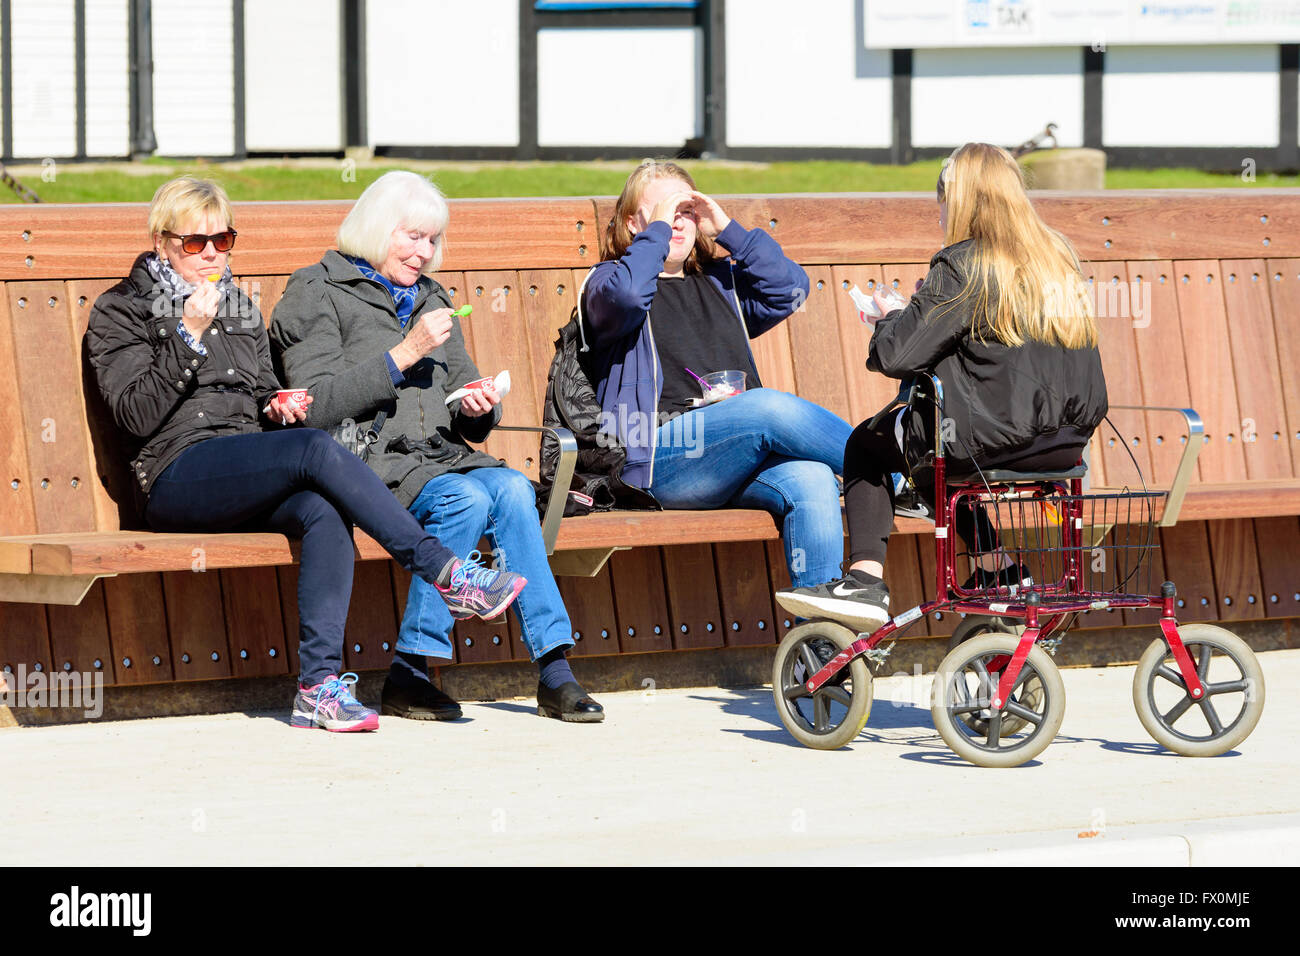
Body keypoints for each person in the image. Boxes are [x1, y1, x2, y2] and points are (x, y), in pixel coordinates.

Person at [85, 176, 526, 733]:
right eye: (197, 244)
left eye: (224, 241)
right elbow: (135, 416)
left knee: (322, 508)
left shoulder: (238, 306)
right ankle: (444, 571)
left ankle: (318, 689)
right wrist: (188, 338)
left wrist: (279, 406)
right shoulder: (120, 309)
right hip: (175, 474)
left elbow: (264, 393)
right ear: (163, 243)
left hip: (243, 462)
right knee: (317, 448)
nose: (213, 255)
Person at [269, 171, 603, 724]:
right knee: (465, 500)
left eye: (432, 241)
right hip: (364, 462)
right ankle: (414, 667)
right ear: (378, 230)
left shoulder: (432, 297)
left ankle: (553, 668)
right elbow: (316, 404)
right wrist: (403, 354)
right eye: (413, 237)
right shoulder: (316, 291)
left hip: (443, 457)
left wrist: (478, 404)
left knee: (513, 489)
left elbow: (467, 409)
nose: (425, 253)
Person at [776, 143, 1109, 628]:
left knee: (870, 444)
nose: (940, 213)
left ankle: (864, 581)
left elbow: (897, 356)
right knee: (938, 451)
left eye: (943, 200)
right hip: (1064, 446)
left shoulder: (963, 265)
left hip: (992, 442)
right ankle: (998, 570)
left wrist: (891, 317)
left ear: (960, 200)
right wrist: (924, 314)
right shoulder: (1057, 257)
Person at [580, 160, 852, 590]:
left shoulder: (720, 283)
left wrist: (728, 229)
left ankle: (819, 645)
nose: (678, 222)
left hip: (733, 453)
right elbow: (629, 297)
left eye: (686, 211)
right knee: (763, 407)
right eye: (666, 210)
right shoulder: (607, 283)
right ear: (635, 224)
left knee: (813, 478)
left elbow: (790, 290)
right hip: (658, 456)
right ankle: (897, 470)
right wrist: (657, 235)